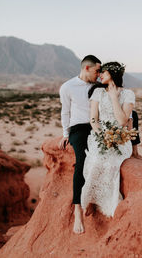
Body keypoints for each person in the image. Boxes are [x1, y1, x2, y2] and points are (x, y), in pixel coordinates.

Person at [81, 62, 135, 225]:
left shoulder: (128, 94)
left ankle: (107, 204)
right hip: (100, 135)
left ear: (112, 74)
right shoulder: (97, 92)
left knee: (112, 163)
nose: (100, 75)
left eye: (103, 72)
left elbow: (123, 120)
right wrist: (101, 136)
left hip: (120, 138)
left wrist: (113, 97)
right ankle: (90, 199)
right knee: (96, 160)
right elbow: (93, 119)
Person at [59, 55, 101, 234]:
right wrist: (65, 134)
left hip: (97, 127)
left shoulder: (99, 87)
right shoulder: (67, 87)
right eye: (97, 71)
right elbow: (65, 112)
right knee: (83, 160)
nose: (99, 75)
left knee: (102, 158)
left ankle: (91, 198)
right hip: (78, 129)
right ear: (86, 68)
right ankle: (77, 209)